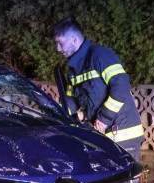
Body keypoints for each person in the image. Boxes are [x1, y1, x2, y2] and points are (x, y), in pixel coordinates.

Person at [52, 16, 144, 160]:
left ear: (74, 39)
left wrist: (105, 117)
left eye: (60, 43)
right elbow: (70, 101)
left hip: (122, 133)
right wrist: (55, 113)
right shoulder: (73, 69)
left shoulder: (100, 56)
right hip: (102, 135)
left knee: (124, 181)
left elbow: (121, 86)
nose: (58, 49)